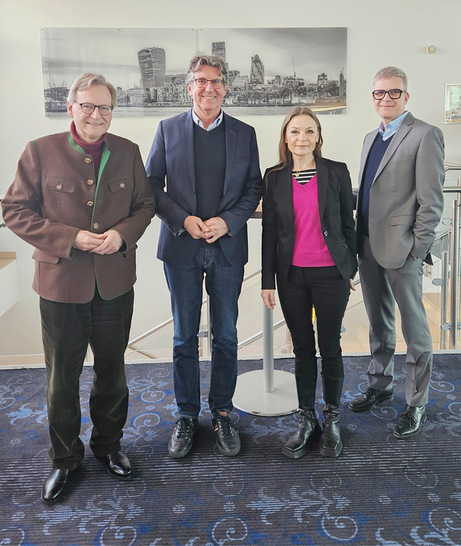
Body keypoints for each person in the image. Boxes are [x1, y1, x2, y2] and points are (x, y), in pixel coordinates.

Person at [1, 73, 155, 502]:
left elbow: (145, 204)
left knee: (113, 373)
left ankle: (109, 447)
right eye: (87, 105)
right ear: (71, 107)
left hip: (114, 284)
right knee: (61, 380)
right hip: (60, 286)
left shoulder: (127, 151)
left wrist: (123, 234)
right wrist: (70, 238)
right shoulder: (40, 151)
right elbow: (14, 210)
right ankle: (64, 459)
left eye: (104, 107)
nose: (96, 114)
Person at [145, 54, 262, 459]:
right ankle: (186, 414)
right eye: (200, 81)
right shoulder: (167, 129)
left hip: (227, 247)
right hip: (182, 246)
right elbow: (151, 186)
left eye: (215, 81)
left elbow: (253, 189)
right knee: (183, 337)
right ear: (188, 87)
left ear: (225, 87)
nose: (208, 88)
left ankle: (223, 412)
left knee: (226, 335)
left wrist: (227, 222)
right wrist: (183, 219)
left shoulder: (244, 133)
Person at [349, 67, 445, 438]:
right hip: (367, 245)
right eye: (378, 93)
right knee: (378, 321)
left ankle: (416, 403)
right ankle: (380, 384)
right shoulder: (370, 137)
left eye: (393, 93)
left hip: (403, 249)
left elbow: (431, 202)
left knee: (415, 329)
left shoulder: (424, 135)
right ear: (372, 98)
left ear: (406, 96)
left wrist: (417, 250)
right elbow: (369, 192)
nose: (385, 99)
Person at [261, 106, 357, 458]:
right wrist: (267, 279)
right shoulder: (273, 177)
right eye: (295, 132)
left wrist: (351, 268)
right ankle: (307, 418)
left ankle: (331, 416)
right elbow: (269, 231)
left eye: (309, 132)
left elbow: (348, 223)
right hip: (291, 277)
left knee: (330, 347)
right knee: (302, 349)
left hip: (332, 273)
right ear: (285, 138)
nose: (302, 138)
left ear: (319, 137)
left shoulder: (336, 172)